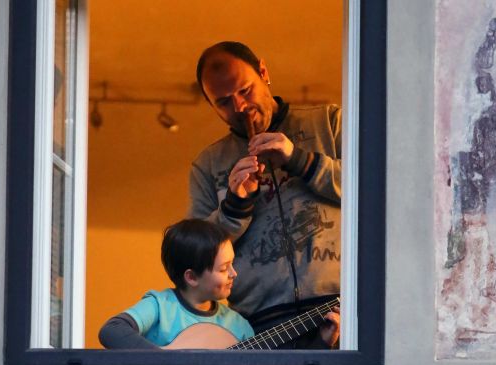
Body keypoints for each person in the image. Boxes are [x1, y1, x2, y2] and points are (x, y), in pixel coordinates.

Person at [189, 41, 342, 348]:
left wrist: (299, 159)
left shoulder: (329, 121)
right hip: (260, 330)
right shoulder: (208, 165)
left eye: (245, 91)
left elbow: (379, 195)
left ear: (263, 71)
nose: (240, 107)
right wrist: (236, 204)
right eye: (224, 102)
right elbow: (196, 255)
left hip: (342, 309)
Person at [98, 219, 254, 349]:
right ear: (192, 277)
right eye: (224, 268)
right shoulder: (160, 306)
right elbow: (112, 330)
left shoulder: (238, 327)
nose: (234, 273)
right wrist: (167, 363)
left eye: (232, 264)